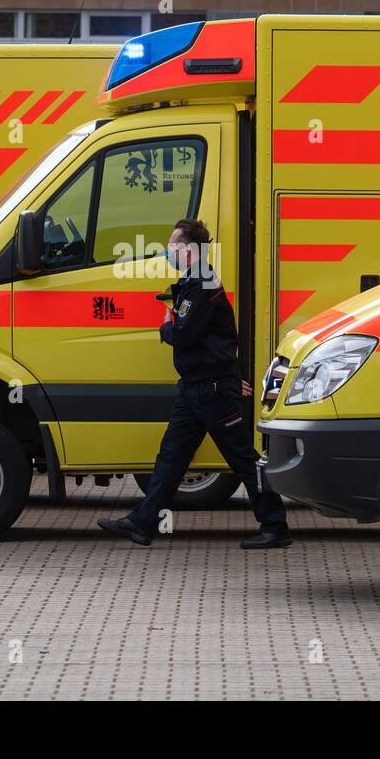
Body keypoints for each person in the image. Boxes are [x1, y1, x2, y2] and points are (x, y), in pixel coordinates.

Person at [97, 219, 292, 549]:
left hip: (212, 390)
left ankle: (275, 526)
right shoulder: (193, 282)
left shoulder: (202, 285)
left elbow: (184, 333)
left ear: (188, 250)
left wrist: (166, 328)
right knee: (171, 458)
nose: (168, 250)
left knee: (243, 458)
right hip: (196, 388)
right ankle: (143, 524)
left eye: (173, 245)